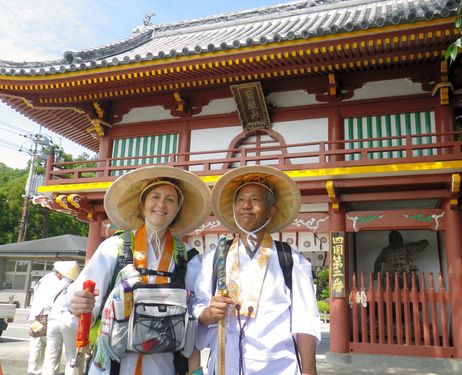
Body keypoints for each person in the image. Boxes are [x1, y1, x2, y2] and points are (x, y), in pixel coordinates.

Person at [68, 166, 211, 375]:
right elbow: (82, 305)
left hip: (166, 365)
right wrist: (79, 304)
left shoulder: (187, 256)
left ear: (178, 209)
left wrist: (196, 371)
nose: (161, 204)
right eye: (155, 196)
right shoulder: (114, 247)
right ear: (142, 204)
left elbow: (195, 315)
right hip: (113, 363)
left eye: (170, 200)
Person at [193, 165, 320, 375]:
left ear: (271, 211)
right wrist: (207, 313)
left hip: (277, 366)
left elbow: (304, 321)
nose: (246, 206)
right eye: (240, 200)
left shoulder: (289, 259)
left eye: (255, 199)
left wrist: (309, 371)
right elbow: (198, 304)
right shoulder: (215, 259)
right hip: (226, 364)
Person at [27, 261, 78, 375]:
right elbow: (47, 302)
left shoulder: (46, 279)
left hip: (39, 317)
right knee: (44, 346)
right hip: (43, 316)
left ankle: (34, 370)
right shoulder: (53, 281)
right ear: (60, 273)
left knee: (39, 344)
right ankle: (36, 371)